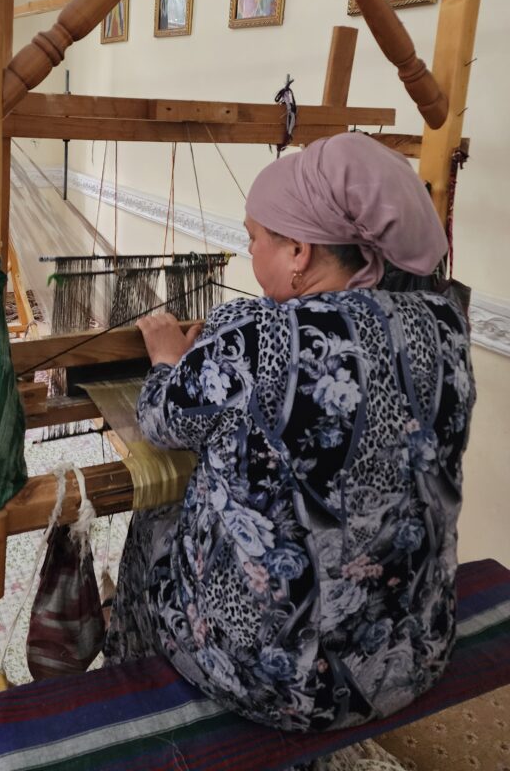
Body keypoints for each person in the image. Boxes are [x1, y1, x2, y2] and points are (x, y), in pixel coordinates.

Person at [103, 132, 475, 733]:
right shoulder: (446, 323)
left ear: (299, 250)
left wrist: (168, 358)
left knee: (156, 520)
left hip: (281, 684)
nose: (249, 253)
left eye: (254, 238)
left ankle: (130, 684)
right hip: (412, 654)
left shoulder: (257, 338)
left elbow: (160, 419)